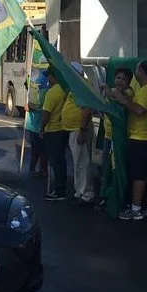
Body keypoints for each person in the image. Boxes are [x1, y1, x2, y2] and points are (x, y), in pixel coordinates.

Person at [113, 61, 147, 220]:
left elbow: (139, 110)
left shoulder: (145, 90)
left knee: (138, 176)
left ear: (141, 71)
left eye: (136, 70)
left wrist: (124, 102)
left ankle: (135, 209)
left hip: (139, 139)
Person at [96, 68, 133, 211]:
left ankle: (118, 197)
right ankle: (105, 196)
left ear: (128, 83)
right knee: (106, 168)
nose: (120, 81)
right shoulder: (111, 90)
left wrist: (107, 90)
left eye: (123, 79)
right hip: (108, 136)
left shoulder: (128, 93)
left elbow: (117, 98)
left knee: (118, 168)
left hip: (120, 137)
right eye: (118, 78)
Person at [62, 62, 95, 207]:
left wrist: (82, 129)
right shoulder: (76, 85)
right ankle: (79, 191)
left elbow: (87, 109)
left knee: (82, 162)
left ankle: (86, 193)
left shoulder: (82, 85)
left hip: (80, 129)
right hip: (75, 129)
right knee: (78, 162)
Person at [40, 70, 69, 201]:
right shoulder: (65, 90)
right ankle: (61, 187)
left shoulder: (51, 92)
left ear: (54, 76)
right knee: (61, 160)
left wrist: (41, 128)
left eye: (49, 75)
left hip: (53, 130)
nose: (48, 78)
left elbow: (46, 113)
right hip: (64, 129)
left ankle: (59, 190)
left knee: (55, 161)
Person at [24, 69, 49, 178]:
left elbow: (41, 106)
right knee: (40, 148)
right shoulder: (42, 80)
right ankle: (40, 170)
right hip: (36, 121)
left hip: (35, 122)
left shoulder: (37, 79)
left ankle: (36, 169)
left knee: (38, 148)